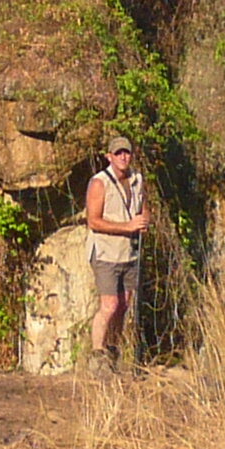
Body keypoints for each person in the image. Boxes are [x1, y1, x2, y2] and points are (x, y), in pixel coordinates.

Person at [84, 135, 149, 366]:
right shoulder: (99, 183)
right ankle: (97, 354)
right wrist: (127, 226)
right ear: (109, 156)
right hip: (105, 253)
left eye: (127, 152)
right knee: (109, 305)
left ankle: (113, 351)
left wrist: (143, 222)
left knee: (123, 305)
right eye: (118, 153)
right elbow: (93, 221)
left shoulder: (137, 179)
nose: (123, 157)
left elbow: (143, 207)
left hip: (128, 253)